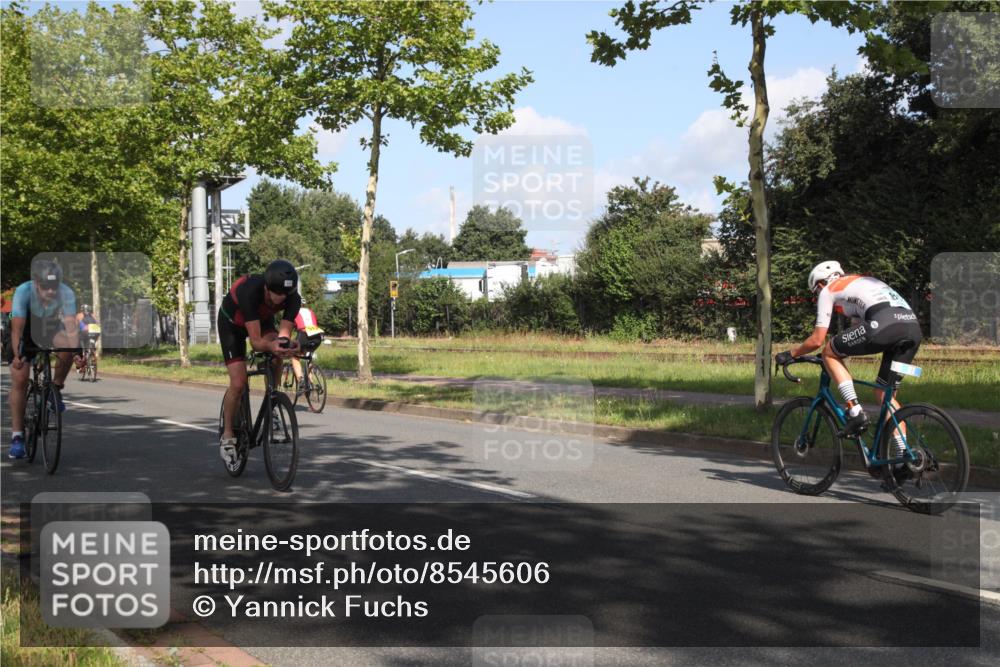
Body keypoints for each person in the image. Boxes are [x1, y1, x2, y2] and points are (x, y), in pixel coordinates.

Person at [775, 261, 922, 445]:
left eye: (816, 292)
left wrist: (791, 354)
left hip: (884, 324)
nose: (818, 296)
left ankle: (855, 412)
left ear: (822, 283)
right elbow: (855, 333)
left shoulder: (829, 290)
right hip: (913, 328)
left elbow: (816, 340)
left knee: (829, 352)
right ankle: (905, 457)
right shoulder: (862, 282)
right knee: (884, 396)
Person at [217, 259, 301, 465]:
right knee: (238, 383)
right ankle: (227, 435)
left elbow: (282, 335)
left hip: (261, 321)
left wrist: (290, 346)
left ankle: (272, 404)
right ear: (267, 288)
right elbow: (256, 343)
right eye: (276, 296)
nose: (281, 301)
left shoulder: (292, 299)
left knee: (278, 353)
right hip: (232, 324)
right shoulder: (250, 291)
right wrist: (270, 345)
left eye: (285, 297)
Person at [5, 260, 80, 459]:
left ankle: (54, 389)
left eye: (53, 287)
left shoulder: (66, 293)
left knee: (67, 348)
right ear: (36, 283)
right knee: (20, 377)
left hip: (49, 326)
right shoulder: (23, 291)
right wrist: (18, 355)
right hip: (26, 330)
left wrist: (78, 353)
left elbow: (71, 327)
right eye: (45, 287)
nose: (50, 292)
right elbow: (17, 330)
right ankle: (18, 437)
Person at [290, 298, 323, 387]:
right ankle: (310, 382)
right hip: (317, 335)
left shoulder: (293, 312)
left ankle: (301, 380)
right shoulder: (310, 311)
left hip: (304, 334)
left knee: (294, 356)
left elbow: (288, 329)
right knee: (308, 356)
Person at [74, 305, 100, 372]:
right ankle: (92, 353)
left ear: (81, 309)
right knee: (91, 342)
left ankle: (84, 354)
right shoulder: (93, 315)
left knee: (78, 344)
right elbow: (98, 324)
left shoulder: (79, 315)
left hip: (84, 333)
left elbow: (76, 326)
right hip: (95, 332)